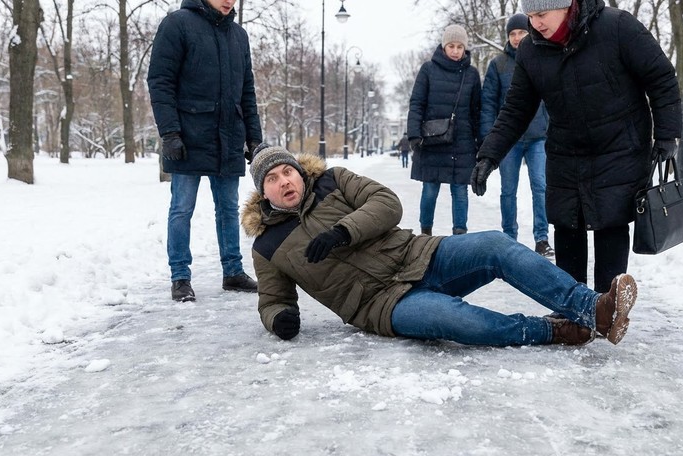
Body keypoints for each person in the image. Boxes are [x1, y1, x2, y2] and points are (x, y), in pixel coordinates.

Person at [240, 144, 639, 347]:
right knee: (455, 320)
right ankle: (553, 331)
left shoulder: (334, 179)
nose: (285, 181)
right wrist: (279, 320)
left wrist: (343, 231)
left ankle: (592, 308)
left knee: (496, 245)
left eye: (287, 170)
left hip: (421, 257)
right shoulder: (268, 245)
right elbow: (273, 299)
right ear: (264, 191)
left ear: (298, 170)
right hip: (381, 305)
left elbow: (387, 204)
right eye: (272, 178)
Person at [471, 0, 681, 293]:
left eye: (542, 14)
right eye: (530, 16)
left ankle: (608, 305)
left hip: (618, 147)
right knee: (567, 224)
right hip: (565, 150)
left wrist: (667, 135)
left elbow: (661, 78)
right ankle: (571, 309)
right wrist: (489, 155)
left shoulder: (617, 26)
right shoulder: (531, 49)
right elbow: (516, 109)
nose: (536, 24)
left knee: (611, 221)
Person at [147, 0, 263, 302]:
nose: (229, 1)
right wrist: (169, 132)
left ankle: (233, 272)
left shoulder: (239, 36)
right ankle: (180, 277)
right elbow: (160, 81)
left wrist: (255, 139)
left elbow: (247, 91)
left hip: (228, 137)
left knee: (228, 208)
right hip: (187, 136)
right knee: (182, 209)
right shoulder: (177, 24)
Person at [480, 14, 553, 257]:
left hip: (538, 136)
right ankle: (509, 238)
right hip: (510, 140)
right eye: (512, 34)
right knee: (508, 190)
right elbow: (488, 103)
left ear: (529, 32)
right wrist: (489, 138)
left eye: (521, 32)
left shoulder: (541, 56)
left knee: (540, 186)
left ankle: (542, 239)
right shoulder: (497, 64)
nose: (517, 37)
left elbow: (552, 96)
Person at [407, 25, 482, 236]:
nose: (456, 50)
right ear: (444, 46)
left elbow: (477, 110)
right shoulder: (428, 70)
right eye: (451, 45)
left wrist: (481, 142)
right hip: (432, 141)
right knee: (430, 190)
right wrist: (414, 134)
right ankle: (425, 233)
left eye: (460, 46)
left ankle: (460, 235)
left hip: (463, 142)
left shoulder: (472, 74)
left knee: (460, 191)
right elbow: (417, 103)